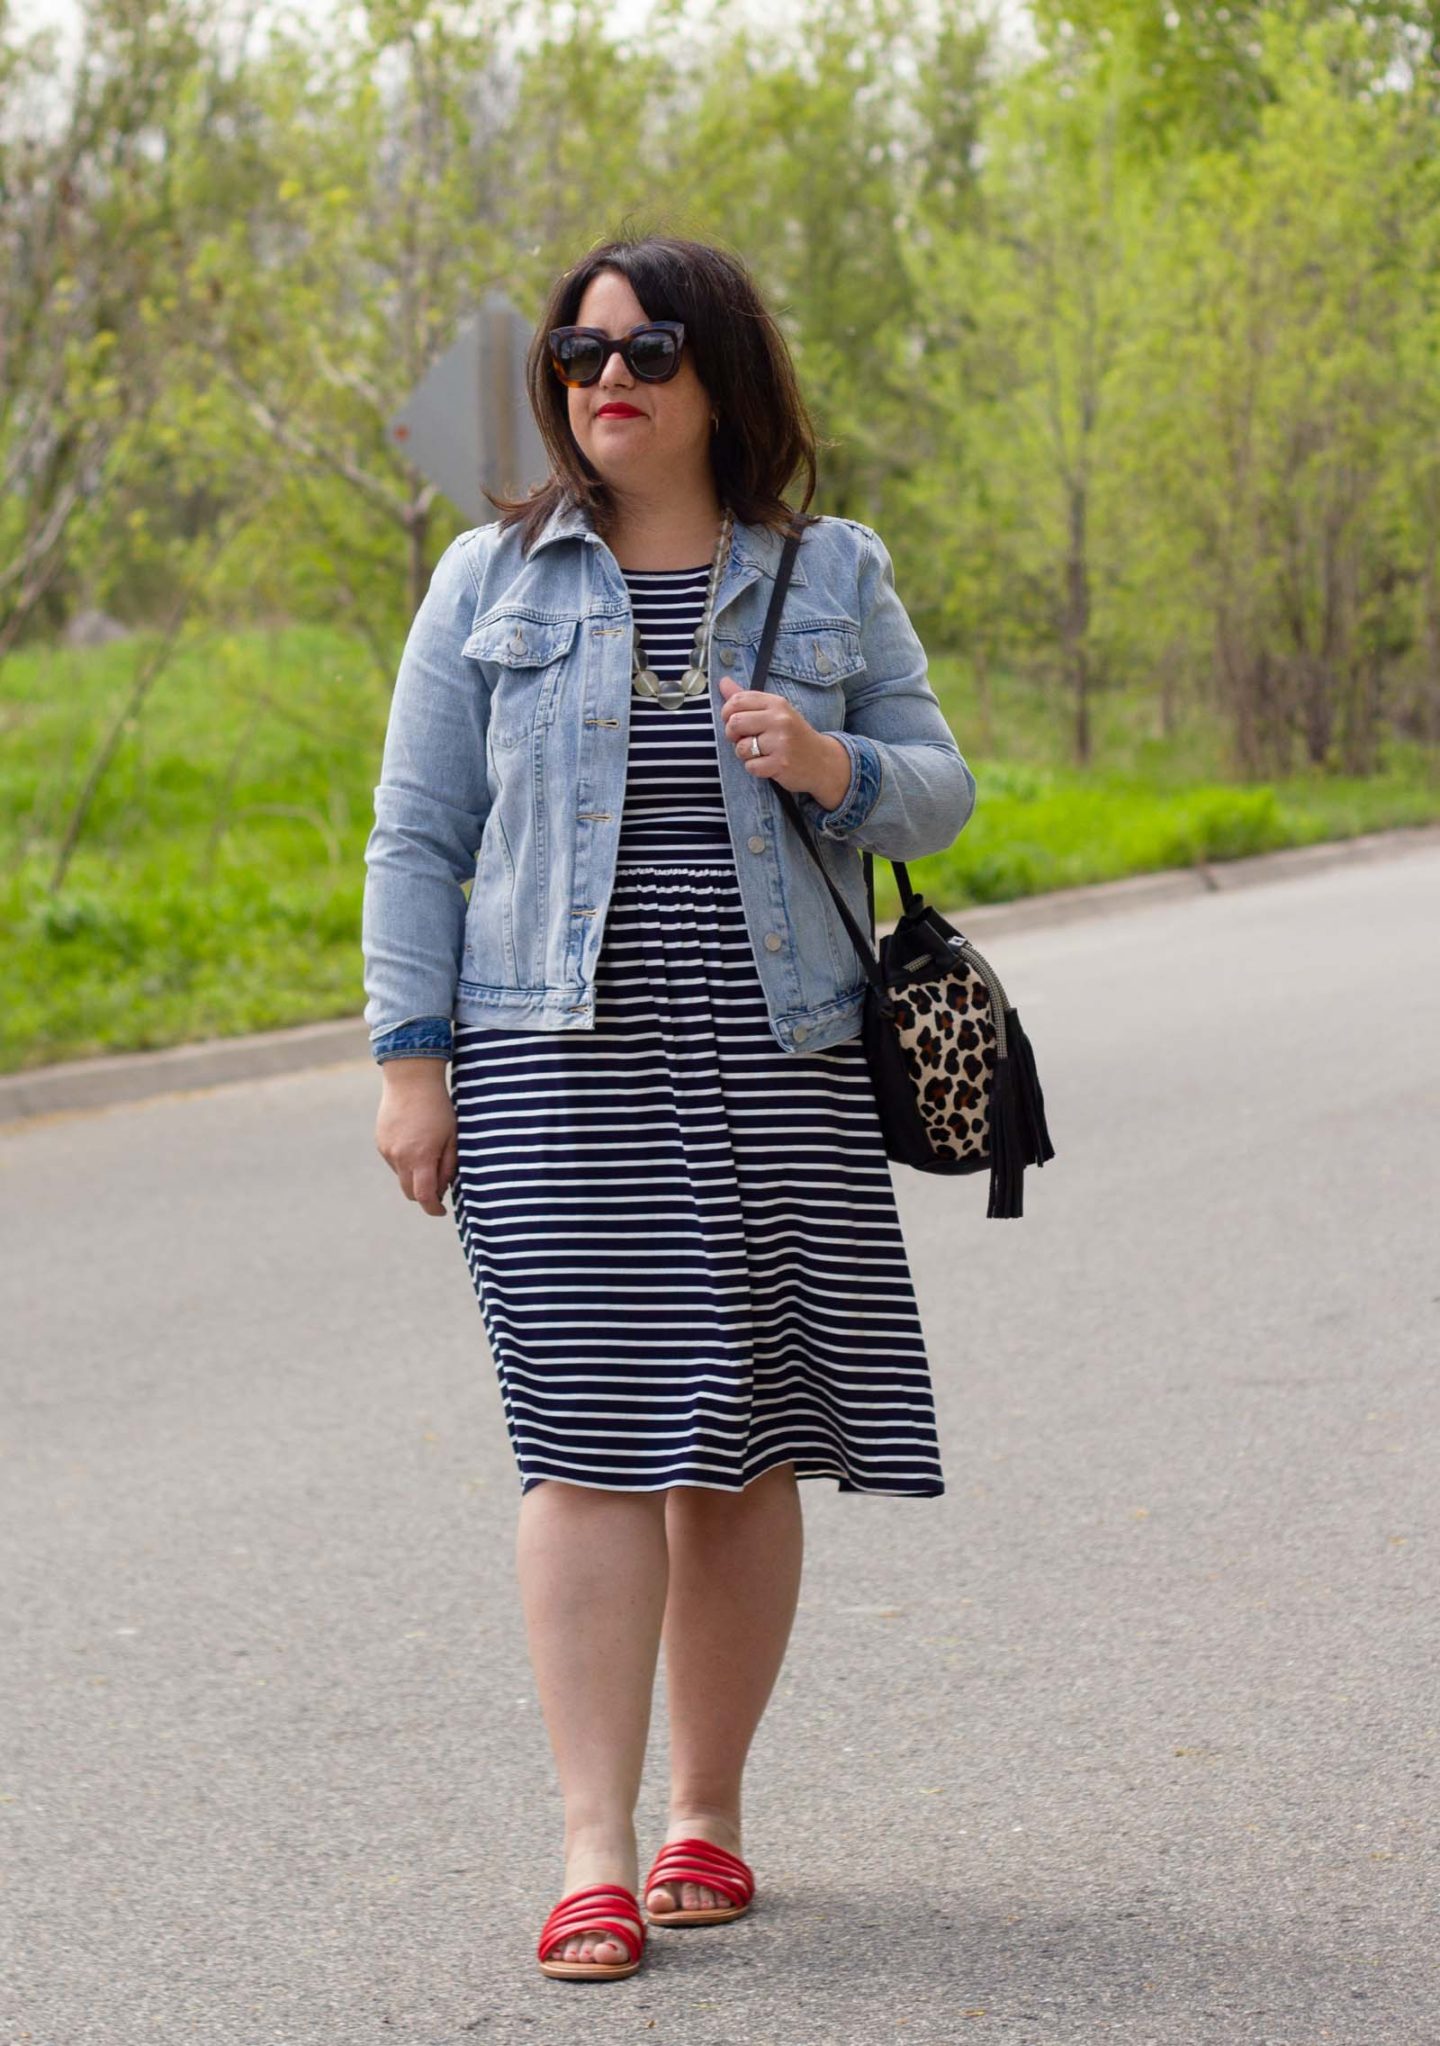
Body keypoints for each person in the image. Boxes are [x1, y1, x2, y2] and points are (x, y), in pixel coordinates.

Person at [360, 232, 978, 1982]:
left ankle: (707, 1807)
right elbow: (419, 834)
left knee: (749, 1443)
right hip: (554, 1062)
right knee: (583, 1443)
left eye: (648, 348)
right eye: (578, 352)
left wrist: (835, 762)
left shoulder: (830, 570)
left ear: (727, 377)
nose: (605, 376)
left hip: (775, 1054)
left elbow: (942, 791)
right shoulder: (487, 577)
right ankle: (592, 1846)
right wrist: (415, 1062)